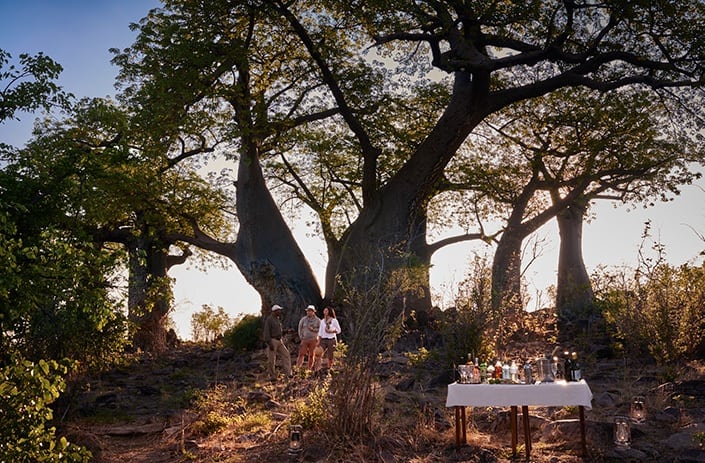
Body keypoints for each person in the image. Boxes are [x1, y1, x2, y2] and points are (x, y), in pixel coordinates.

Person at [262, 304, 293, 379]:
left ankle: (289, 374)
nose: (280, 311)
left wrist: (287, 331)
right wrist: (269, 343)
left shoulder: (277, 319)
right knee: (271, 359)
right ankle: (272, 376)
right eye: (279, 310)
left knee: (286, 354)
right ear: (275, 311)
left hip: (280, 340)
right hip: (272, 341)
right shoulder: (269, 319)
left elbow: (279, 331)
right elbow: (266, 332)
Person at [297, 305, 321, 371]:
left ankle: (309, 369)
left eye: (310, 311)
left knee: (311, 355)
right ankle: (298, 368)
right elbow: (299, 328)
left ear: (313, 312)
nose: (308, 312)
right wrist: (301, 337)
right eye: (308, 311)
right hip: (305, 339)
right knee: (301, 354)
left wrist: (313, 329)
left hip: (313, 340)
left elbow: (320, 329)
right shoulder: (303, 320)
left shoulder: (318, 320)